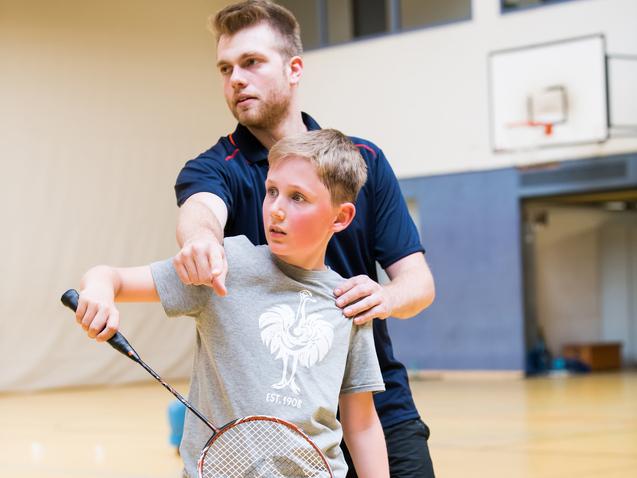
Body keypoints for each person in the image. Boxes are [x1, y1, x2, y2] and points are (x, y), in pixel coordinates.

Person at [173, 1, 436, 476]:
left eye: (252, 62)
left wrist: (384, 296)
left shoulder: (363, 162)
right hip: (277, 423)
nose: (236, 78)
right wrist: (200, 241)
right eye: (225, 68)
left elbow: (418, 284)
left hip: (376, 407)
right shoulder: (215, 168)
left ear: (294, 68)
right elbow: (200, 212)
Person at [75, 129, 390, 478]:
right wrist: (99, 291)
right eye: (272, 192)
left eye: (297, 197)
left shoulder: (350, 301)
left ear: (341, 217)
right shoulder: (225, 267)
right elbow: (110, 277)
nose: (277, 210)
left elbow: (361, 423)